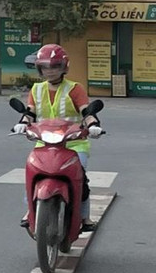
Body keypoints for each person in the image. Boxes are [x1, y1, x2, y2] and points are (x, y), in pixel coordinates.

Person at [19, 44, 99, 229]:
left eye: (55, 66)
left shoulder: (75, 89)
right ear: (40, 68)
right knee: (32, 173)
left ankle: (85, 217)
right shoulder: (36, 89)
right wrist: (22, 123)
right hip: (45, 143)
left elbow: (86, 112)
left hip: (74, 144)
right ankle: (31, 210)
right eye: (45, 67)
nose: (50, 71)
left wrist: (93, 125)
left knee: (81, 178)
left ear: (64, 67)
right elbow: (30, 113)